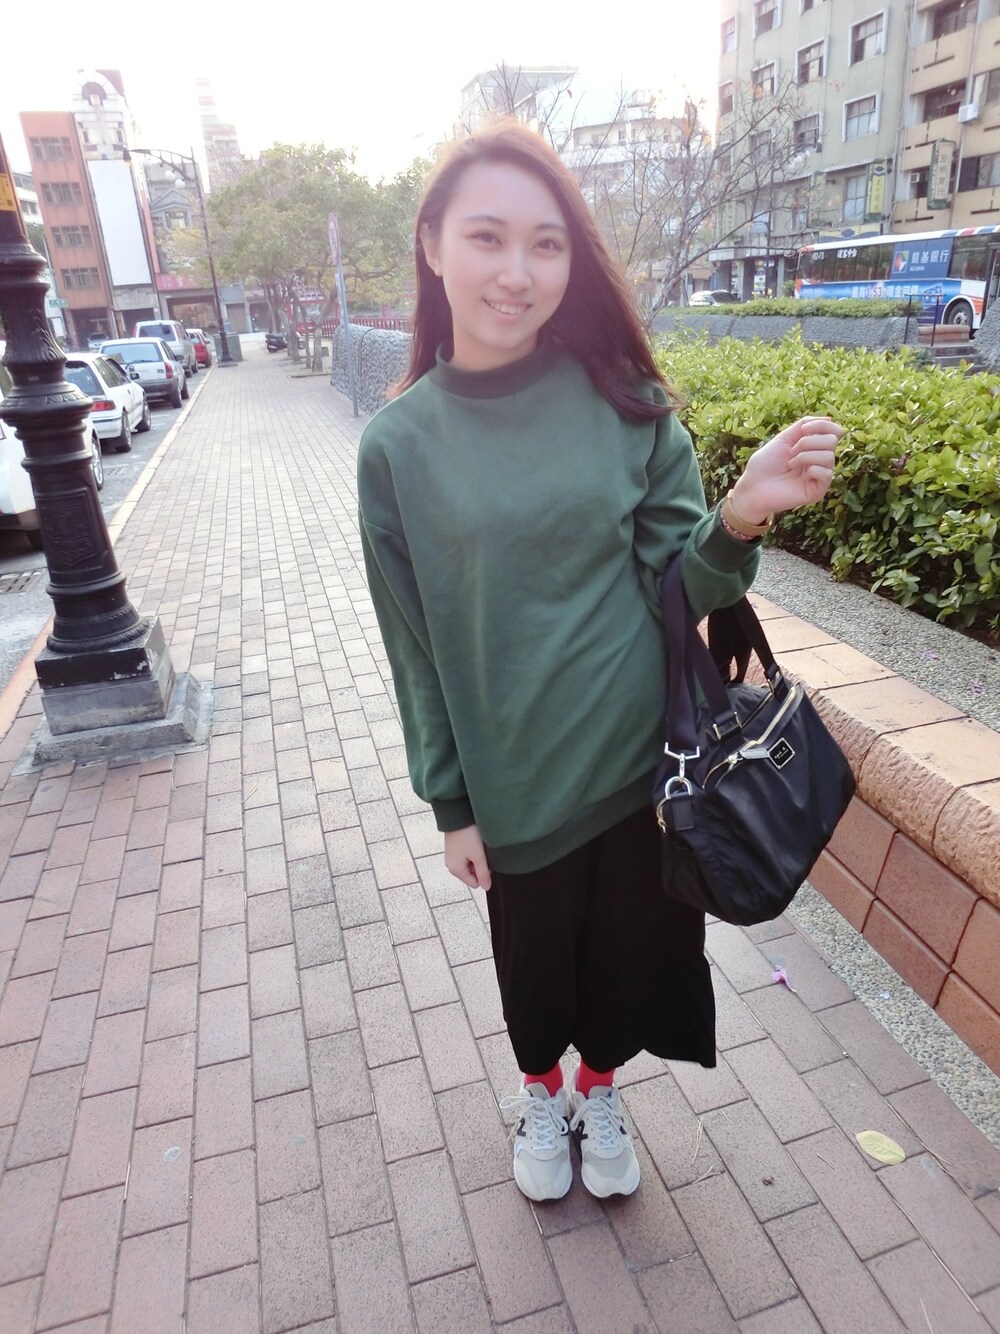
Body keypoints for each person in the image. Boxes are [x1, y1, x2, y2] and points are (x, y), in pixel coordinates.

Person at [357, 123, 842, 1204]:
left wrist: (742, 511)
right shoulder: (397, 446)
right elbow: (413, 646)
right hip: (514, 784)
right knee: (535, 978)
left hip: (642, 771)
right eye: (488, 237)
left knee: (628, 966)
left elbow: (682, 588)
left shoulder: (624, 405)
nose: (518, 271)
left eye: (547, 243)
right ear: (433, 244)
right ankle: (543, 1094)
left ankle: (600, 1091)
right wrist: (450, 802)